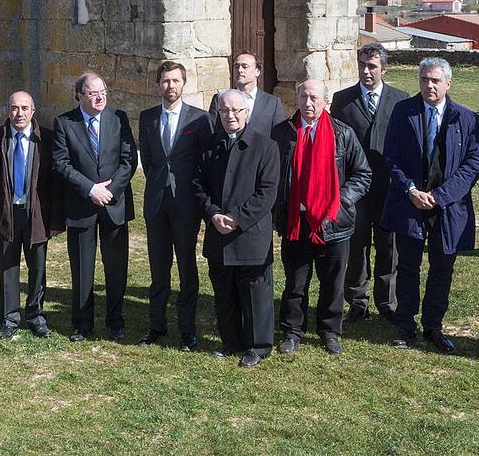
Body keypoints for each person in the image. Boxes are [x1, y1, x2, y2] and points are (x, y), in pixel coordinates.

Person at [380, 57, 479, 353]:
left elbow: (473, 163)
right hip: (409, 202)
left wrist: (441, 196)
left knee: (442, 267)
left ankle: (433, 326)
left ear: (448, 83)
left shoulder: (466, 118)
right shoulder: (403, 111)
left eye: (436, 80)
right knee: (408, 266)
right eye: (425, 79)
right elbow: (392, 157)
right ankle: (406, 325)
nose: (429, 85)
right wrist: (411, 190)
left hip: (447, 207)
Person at [274, 79, 371, 356]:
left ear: (325, 101)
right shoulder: (283, 133)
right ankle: (292, 332)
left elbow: (363, 173)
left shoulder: (342, 134)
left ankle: (329, 331)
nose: (308, 103)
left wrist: (339, 203)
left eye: (314, 97)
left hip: (333, 224)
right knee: (295, 284)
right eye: (303, 97)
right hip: (296, 224)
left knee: (333, 284)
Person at [193, 89, 279, 368]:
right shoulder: (209, 145)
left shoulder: (266, 147)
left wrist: (237, 218)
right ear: (218, 113)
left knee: (255, 293)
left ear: (247, 112)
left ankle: (257, 346)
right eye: (224, 111)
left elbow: (267, 193)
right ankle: (231, 341)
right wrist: (213, 214)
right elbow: (198, 186)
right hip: (218, 231)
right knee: (224, 291)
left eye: (236, 110)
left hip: (250, 233)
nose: (230, 115)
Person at [52, 71, 137, 342]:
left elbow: (128, 160)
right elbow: (61, 164)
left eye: (103, 92)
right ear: (79, 96)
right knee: (82, 268)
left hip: (114, 204)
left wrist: (109, 192)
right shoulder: (65, 123)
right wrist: (91, 190)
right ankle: (82, 324)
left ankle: (115, 320)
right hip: (82, 206)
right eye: (92, 93)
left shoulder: (118, 118)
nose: (100, 97)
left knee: (116, 267)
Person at [331, 43, 410, 328]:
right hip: (355, 188)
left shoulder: (400, 100)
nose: (366, 71)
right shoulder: (343, 100)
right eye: (362, 65)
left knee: (389, 248)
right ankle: (357, 301)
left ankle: (386, 302)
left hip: (390, 188)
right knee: (357, 245)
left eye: (372, 66)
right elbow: (336, 143)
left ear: (383, 69)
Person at [0, 90, 64, 340]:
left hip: (37, 216)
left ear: (33, 111)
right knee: (8, 268)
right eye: (14, 108)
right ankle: (9, 318)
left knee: (38, 268)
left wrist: (56, 220)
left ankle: (36, 316)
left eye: (24, 108)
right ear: (8, 110)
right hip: (6, 214)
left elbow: (56, 184)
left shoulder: (46, 139)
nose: (19, 114)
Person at [137, 61, 210, 350]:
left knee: (187, 270)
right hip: (156, 204)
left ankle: (187, 329)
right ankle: (157, 326)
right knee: (158, 269)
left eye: (176, 81)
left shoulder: (199, 119)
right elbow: (150, 161)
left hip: (186, 205)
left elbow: (204, 162)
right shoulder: (147, 117)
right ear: (159, 85)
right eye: (166, 81)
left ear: (184, 83)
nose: (171, 86)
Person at [209, 52, 283, 136]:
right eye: (236, 67)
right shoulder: (220, 98)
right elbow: (212, 131)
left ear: (257, 72)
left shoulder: (272, 103)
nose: (240, 70)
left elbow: (278, 136)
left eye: (245, 66)